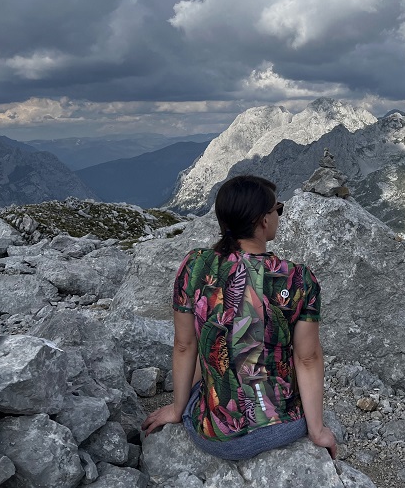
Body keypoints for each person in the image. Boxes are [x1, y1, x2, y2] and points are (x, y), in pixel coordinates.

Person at [142, 175, 337, 460]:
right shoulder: (297, 278)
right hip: (279, 427)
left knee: (211, 344)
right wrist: (317, 431)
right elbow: (307, 359)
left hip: (213, 435)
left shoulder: (194, 265)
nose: (278, 215)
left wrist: (176, 408)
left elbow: (184, 345)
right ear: (263, 220)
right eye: (277, 209)